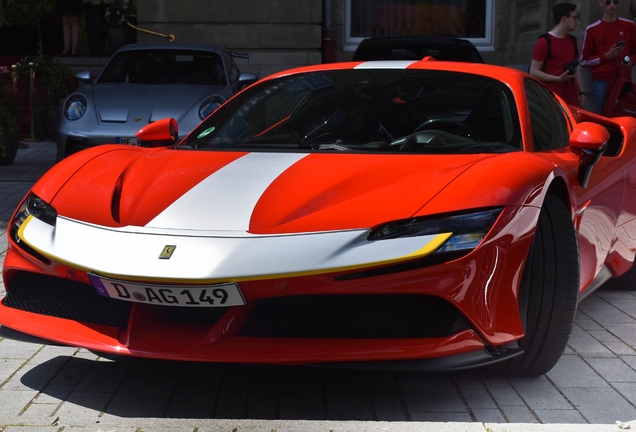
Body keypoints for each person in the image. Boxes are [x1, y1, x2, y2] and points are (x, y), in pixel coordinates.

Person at [581, 0, 636, 113]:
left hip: (623, 79)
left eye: (615, 2)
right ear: (600, 3)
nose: (612, 5)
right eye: (608, 2)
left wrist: (631, 61)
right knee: (602, 116)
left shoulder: (629, 26)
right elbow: (584, 60)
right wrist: (606, 56)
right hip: (602, 81)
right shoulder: (592, 29)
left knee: (624, 115)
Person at [530, 3, 585, 108]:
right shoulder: (545, 41)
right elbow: (533, 72)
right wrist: (557, 79)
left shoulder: (572, 41)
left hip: (571, 99)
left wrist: (582, 93)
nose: (577, 21)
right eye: (575, 17)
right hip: (550, 99)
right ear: (564, 19)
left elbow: (576, 70)